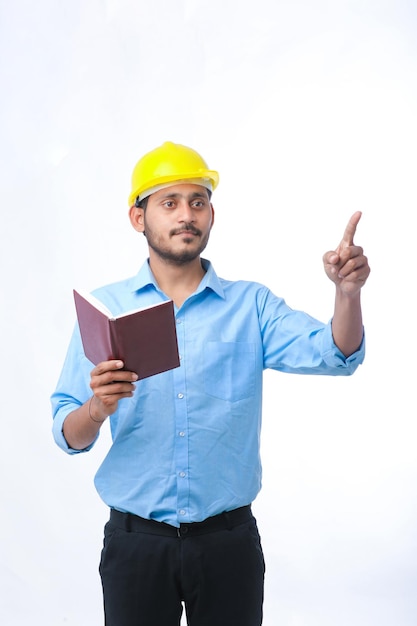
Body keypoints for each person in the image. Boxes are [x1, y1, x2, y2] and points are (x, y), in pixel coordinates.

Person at [51, 141, 370, 626]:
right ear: (139, 218)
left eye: (198, 202)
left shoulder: (251, 306)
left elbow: (336, 355)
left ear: (211, 214)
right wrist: (96, 408)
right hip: (137, 546)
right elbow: (67, 433)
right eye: (170, 203)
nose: (187, 215)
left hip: (229, 545)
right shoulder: (106, 310)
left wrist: (347, 294)